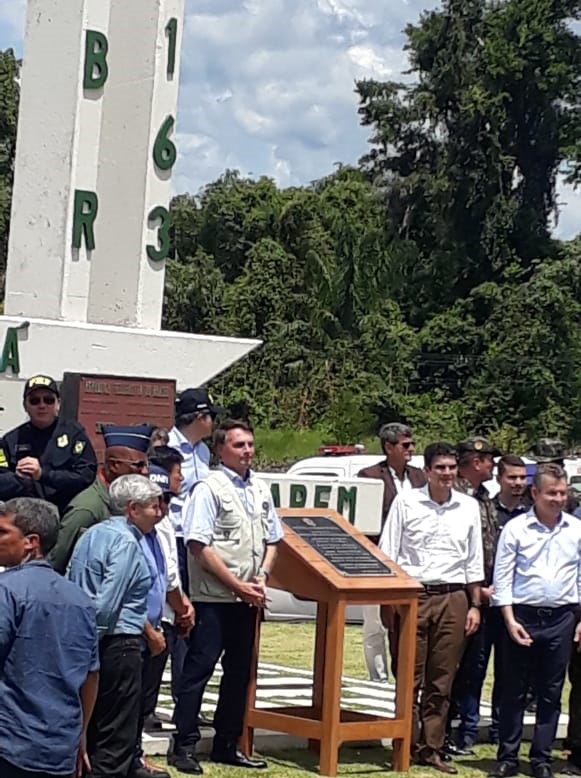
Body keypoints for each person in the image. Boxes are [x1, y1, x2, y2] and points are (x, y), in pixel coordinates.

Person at [168, 419, 283, 775]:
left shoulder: (261, 488)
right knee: (198, 671)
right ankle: (183, 744)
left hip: (248, 599)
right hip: (213, 599)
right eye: (239, 445)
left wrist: (261, 577)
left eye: (250, 444)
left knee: (239, 674)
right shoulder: (209, 488)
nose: (247, 451)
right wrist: (236, 584)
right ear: (220, 450)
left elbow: (274, 539)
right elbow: (198, 545)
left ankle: (227, 743)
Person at [379, 441, 483, 774]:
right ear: (427, 471)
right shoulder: (406, 502)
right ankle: (404, 744)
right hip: (414, 594)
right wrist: (388, 601)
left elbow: (473, 560)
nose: (447, 473)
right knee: (409, 675)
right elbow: (389, 553)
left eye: (452, 467)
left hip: (454, 597)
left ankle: (432, 748)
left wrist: (475, 605)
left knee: (442, 679)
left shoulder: (467, 507)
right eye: (440, 467)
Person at [68, 475, 163, 778]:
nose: (158, 512)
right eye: (153, 506)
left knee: (94, 728)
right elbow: (108, 602)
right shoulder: (125, 542)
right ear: (132, 509)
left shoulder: (92, 534)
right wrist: (91, 643)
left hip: (92, 638)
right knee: (115, 736)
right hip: (117, 643)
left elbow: (74, 580)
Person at [490, 464, 581, 778]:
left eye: (562, 492)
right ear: (535, 493)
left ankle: (541, 759)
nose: (558, 498)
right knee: (513, 690)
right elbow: (502, 577)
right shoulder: (516, 529)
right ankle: (508, 757)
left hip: (562, 617)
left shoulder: (576, 529)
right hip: (522, 616)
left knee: (550, 692)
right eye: (551, 493)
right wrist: (509, 619)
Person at [0, 497, 99, 778]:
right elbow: (91, 676)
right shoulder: (81, 599)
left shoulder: (7, 591)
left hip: (10, 742)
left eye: (2, 532)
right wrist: (81, 735)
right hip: (60, 746)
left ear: (31, 541)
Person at [357, 422, 426, 682]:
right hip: (377, 560)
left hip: (413, 561)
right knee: (375, 623)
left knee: (407, 623)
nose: (411, 449)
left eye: (412, 444)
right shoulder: (370, 476)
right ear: (389, 447)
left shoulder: (419, 477)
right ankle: (378, 678)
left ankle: (406, 675)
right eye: (405, 445)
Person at [447, 437, 500, 755]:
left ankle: (468, 729)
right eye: (488, 460)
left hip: (488, 590)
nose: (492, 464)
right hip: (464, 592)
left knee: (477, 665)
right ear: (474, 463)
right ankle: (456, 730)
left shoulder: (484, 496)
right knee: (461, 667)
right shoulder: (456, 497)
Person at [49, 423, 153, 573]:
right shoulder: (89, 508)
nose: (145, 471)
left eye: (146, 464)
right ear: (114, 465)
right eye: (138, 465)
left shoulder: (129, 503)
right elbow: (57, 561)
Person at [0, 374, 97, 514]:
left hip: (64, 511)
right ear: (25, 405)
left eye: (48, 400)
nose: (42, 405)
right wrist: (19, 479)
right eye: (34, 401)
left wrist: (43, 475)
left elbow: (85, 476)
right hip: (23, 513)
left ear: (58, 403)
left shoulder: (74, 434)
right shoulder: (11, 440)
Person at [494, 455, 531, 527]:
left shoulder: (532, 512)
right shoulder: (486, 510)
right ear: (498, 479)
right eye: (512, 477)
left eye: (522, 477)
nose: (518, 482)